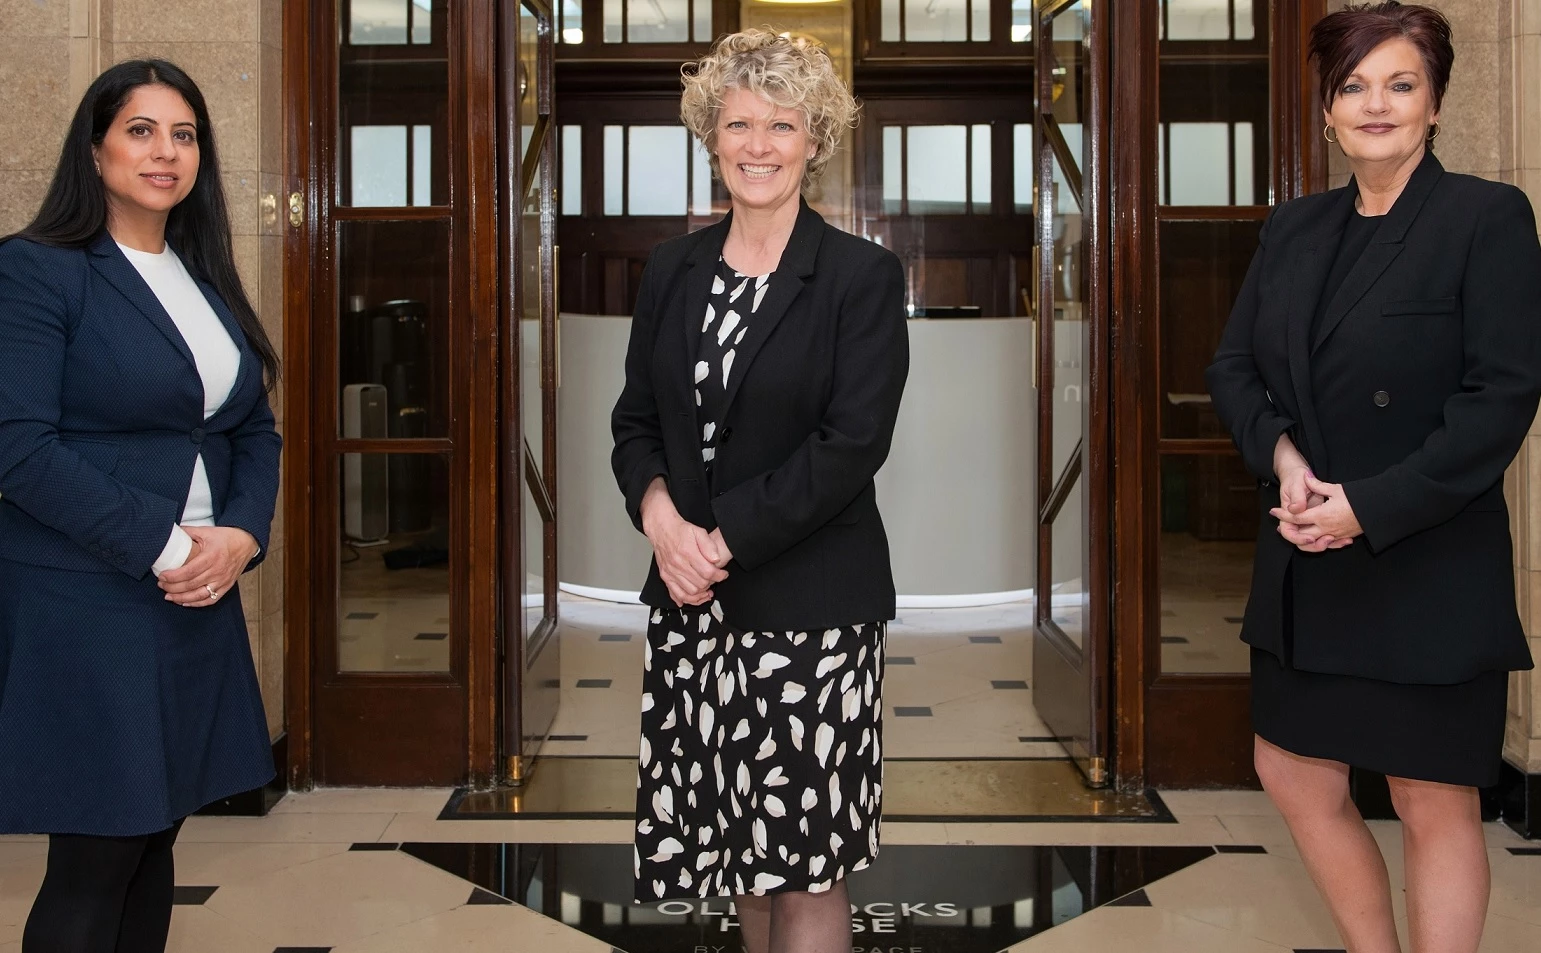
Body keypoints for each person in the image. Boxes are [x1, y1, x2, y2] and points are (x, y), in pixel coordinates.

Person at [1206, 4, 1541, 952]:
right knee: (1292, 771)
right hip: (1309, 544)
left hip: (1422, 549)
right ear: (1325, 111)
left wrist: (1368, 505)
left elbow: (1500, 397)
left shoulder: (1485, 217)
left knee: (1429, 792)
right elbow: (1232, 368)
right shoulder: (1295, 228)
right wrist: (1282, 456)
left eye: (1399, 83)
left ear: (1434, 103)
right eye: (1352, 86)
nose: (1375, 104)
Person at [611, 28, 909, 953]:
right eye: (737, 122)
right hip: (693, 607)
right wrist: (662, 522)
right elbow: (634, 423)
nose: (757, 144)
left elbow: (850, 445)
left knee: (806, 860)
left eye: (782, 124)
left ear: (816, 141)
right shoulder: (673, 269)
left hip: (811, 612)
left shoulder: (859, 276)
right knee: (734, 843)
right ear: (710, 135)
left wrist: (716, 540)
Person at [0, 60, 281, 952]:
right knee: (95, 853)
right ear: (94, 145)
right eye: (141, 129)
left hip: (194, 596)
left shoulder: (201, 277)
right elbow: (18, 447)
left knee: (154, 836)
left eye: (185, 134)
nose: (166, 152)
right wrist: (170, 550)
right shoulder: (39, 271)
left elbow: (252, 433)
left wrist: (238, 534)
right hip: (89, 597)